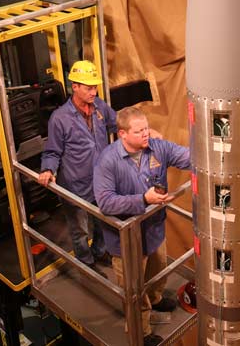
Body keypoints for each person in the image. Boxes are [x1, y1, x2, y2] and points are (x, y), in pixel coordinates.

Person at [94, 106, 191, 346]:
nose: (146, 134)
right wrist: (142, 200)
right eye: (139, 131)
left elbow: (189, 157)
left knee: (158, 270)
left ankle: (156, 298)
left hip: (154, 230)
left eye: (147, 128)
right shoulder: (108, 161)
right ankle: (142, 331)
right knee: (134, 289)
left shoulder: (158, 148)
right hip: (126, 240)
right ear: (122, 134)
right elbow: (105, 202)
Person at [38, 60, 116, 270]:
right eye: (89, 87)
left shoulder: (100, 107)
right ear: (75, 87)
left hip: (101, 181)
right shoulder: (60, 118)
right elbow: (52, 151)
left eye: (95, 86)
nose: (94, 91)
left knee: (103, 222)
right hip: (75, 186)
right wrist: (47, 169)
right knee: (79, 229)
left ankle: (100, 252)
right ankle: (86, 261)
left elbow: (117, 124)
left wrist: (139, 130)